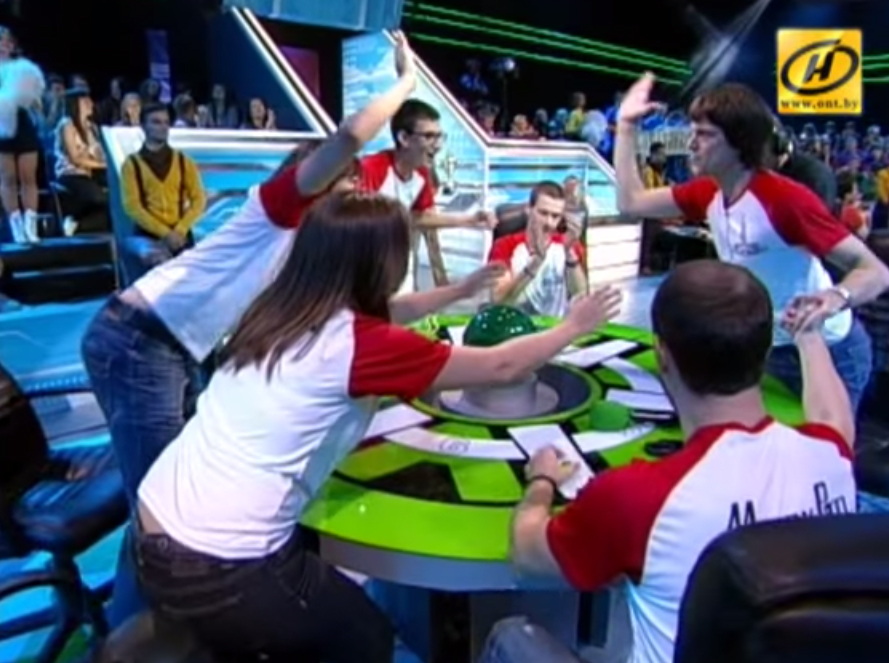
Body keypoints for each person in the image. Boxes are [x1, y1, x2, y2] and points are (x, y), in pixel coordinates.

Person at [132, 188, 622, 663]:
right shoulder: (357, 345)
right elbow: (500, 367)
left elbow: (388, 313)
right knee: (367, 636)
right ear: (378, 263)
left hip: (152, 528)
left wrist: (460, 290)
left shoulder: (281, 307)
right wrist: (573, 326)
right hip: (218, 565)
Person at [80, 32, 422, 627]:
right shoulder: (278, 210)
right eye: (346, 185)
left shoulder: (309, 255)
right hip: (138, 341)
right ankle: (131, 640)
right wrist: (407, 84)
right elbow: (349, 136)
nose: (355, 195)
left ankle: (176, 623)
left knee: (181, 492)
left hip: (174, 348)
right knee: (159, 511)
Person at [506, 260, 856, 663]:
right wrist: (809, 338)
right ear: (763, 354)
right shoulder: (830, 457)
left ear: (663, 355)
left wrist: (542, 482)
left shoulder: (637, 496)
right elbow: (835, 420)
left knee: (512, 637)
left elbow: (527, 556)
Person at [613, 73, 889, 415]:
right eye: (693, 132)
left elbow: (875, 271)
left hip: (827, 350)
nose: (691, 143)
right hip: (765, 348)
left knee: (824, 445)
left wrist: (836, 297)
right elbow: (631, 202)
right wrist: (626, 127)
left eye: (705, 134)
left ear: (739, 143)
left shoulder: (784, 199)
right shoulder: (708, 192)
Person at [361, 98, 497, 293]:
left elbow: (421, 217)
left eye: (439, 137)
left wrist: (470, 220)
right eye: (429, 136)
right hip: (366, 268)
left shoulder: (421, 173)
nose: (438, 145)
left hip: (398, 264)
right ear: (404, 138)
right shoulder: (371, 169)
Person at [119, 102, 207, 270]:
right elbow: (132, 207)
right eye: (156, 122)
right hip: (147, 235)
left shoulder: (184, 162)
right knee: (156, 260)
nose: (163, 127)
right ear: (143, 126)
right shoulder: (131, 165)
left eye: (166, 122)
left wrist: (180, 230)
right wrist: (166, 233)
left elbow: (199, 200)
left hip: (180, 234)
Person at [489, 181, 587, 316]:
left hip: (557, 326)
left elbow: (581, 297)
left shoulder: (568, 245)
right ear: (528, 209)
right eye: (543, 213)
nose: (549, 222)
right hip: (518, 325)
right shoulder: (504, 245)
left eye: (555, 216)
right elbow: (499, 302)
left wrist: (569, 254)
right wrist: (535, 263)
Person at [0, 51, 45, 244]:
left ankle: (30, 226)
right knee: (8, 179)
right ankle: (16, 227)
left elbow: (36, 101)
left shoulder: (23, 69)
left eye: (7, 43)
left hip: (24, 125)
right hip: (2, 125)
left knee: (28, 177)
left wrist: (33, 97)